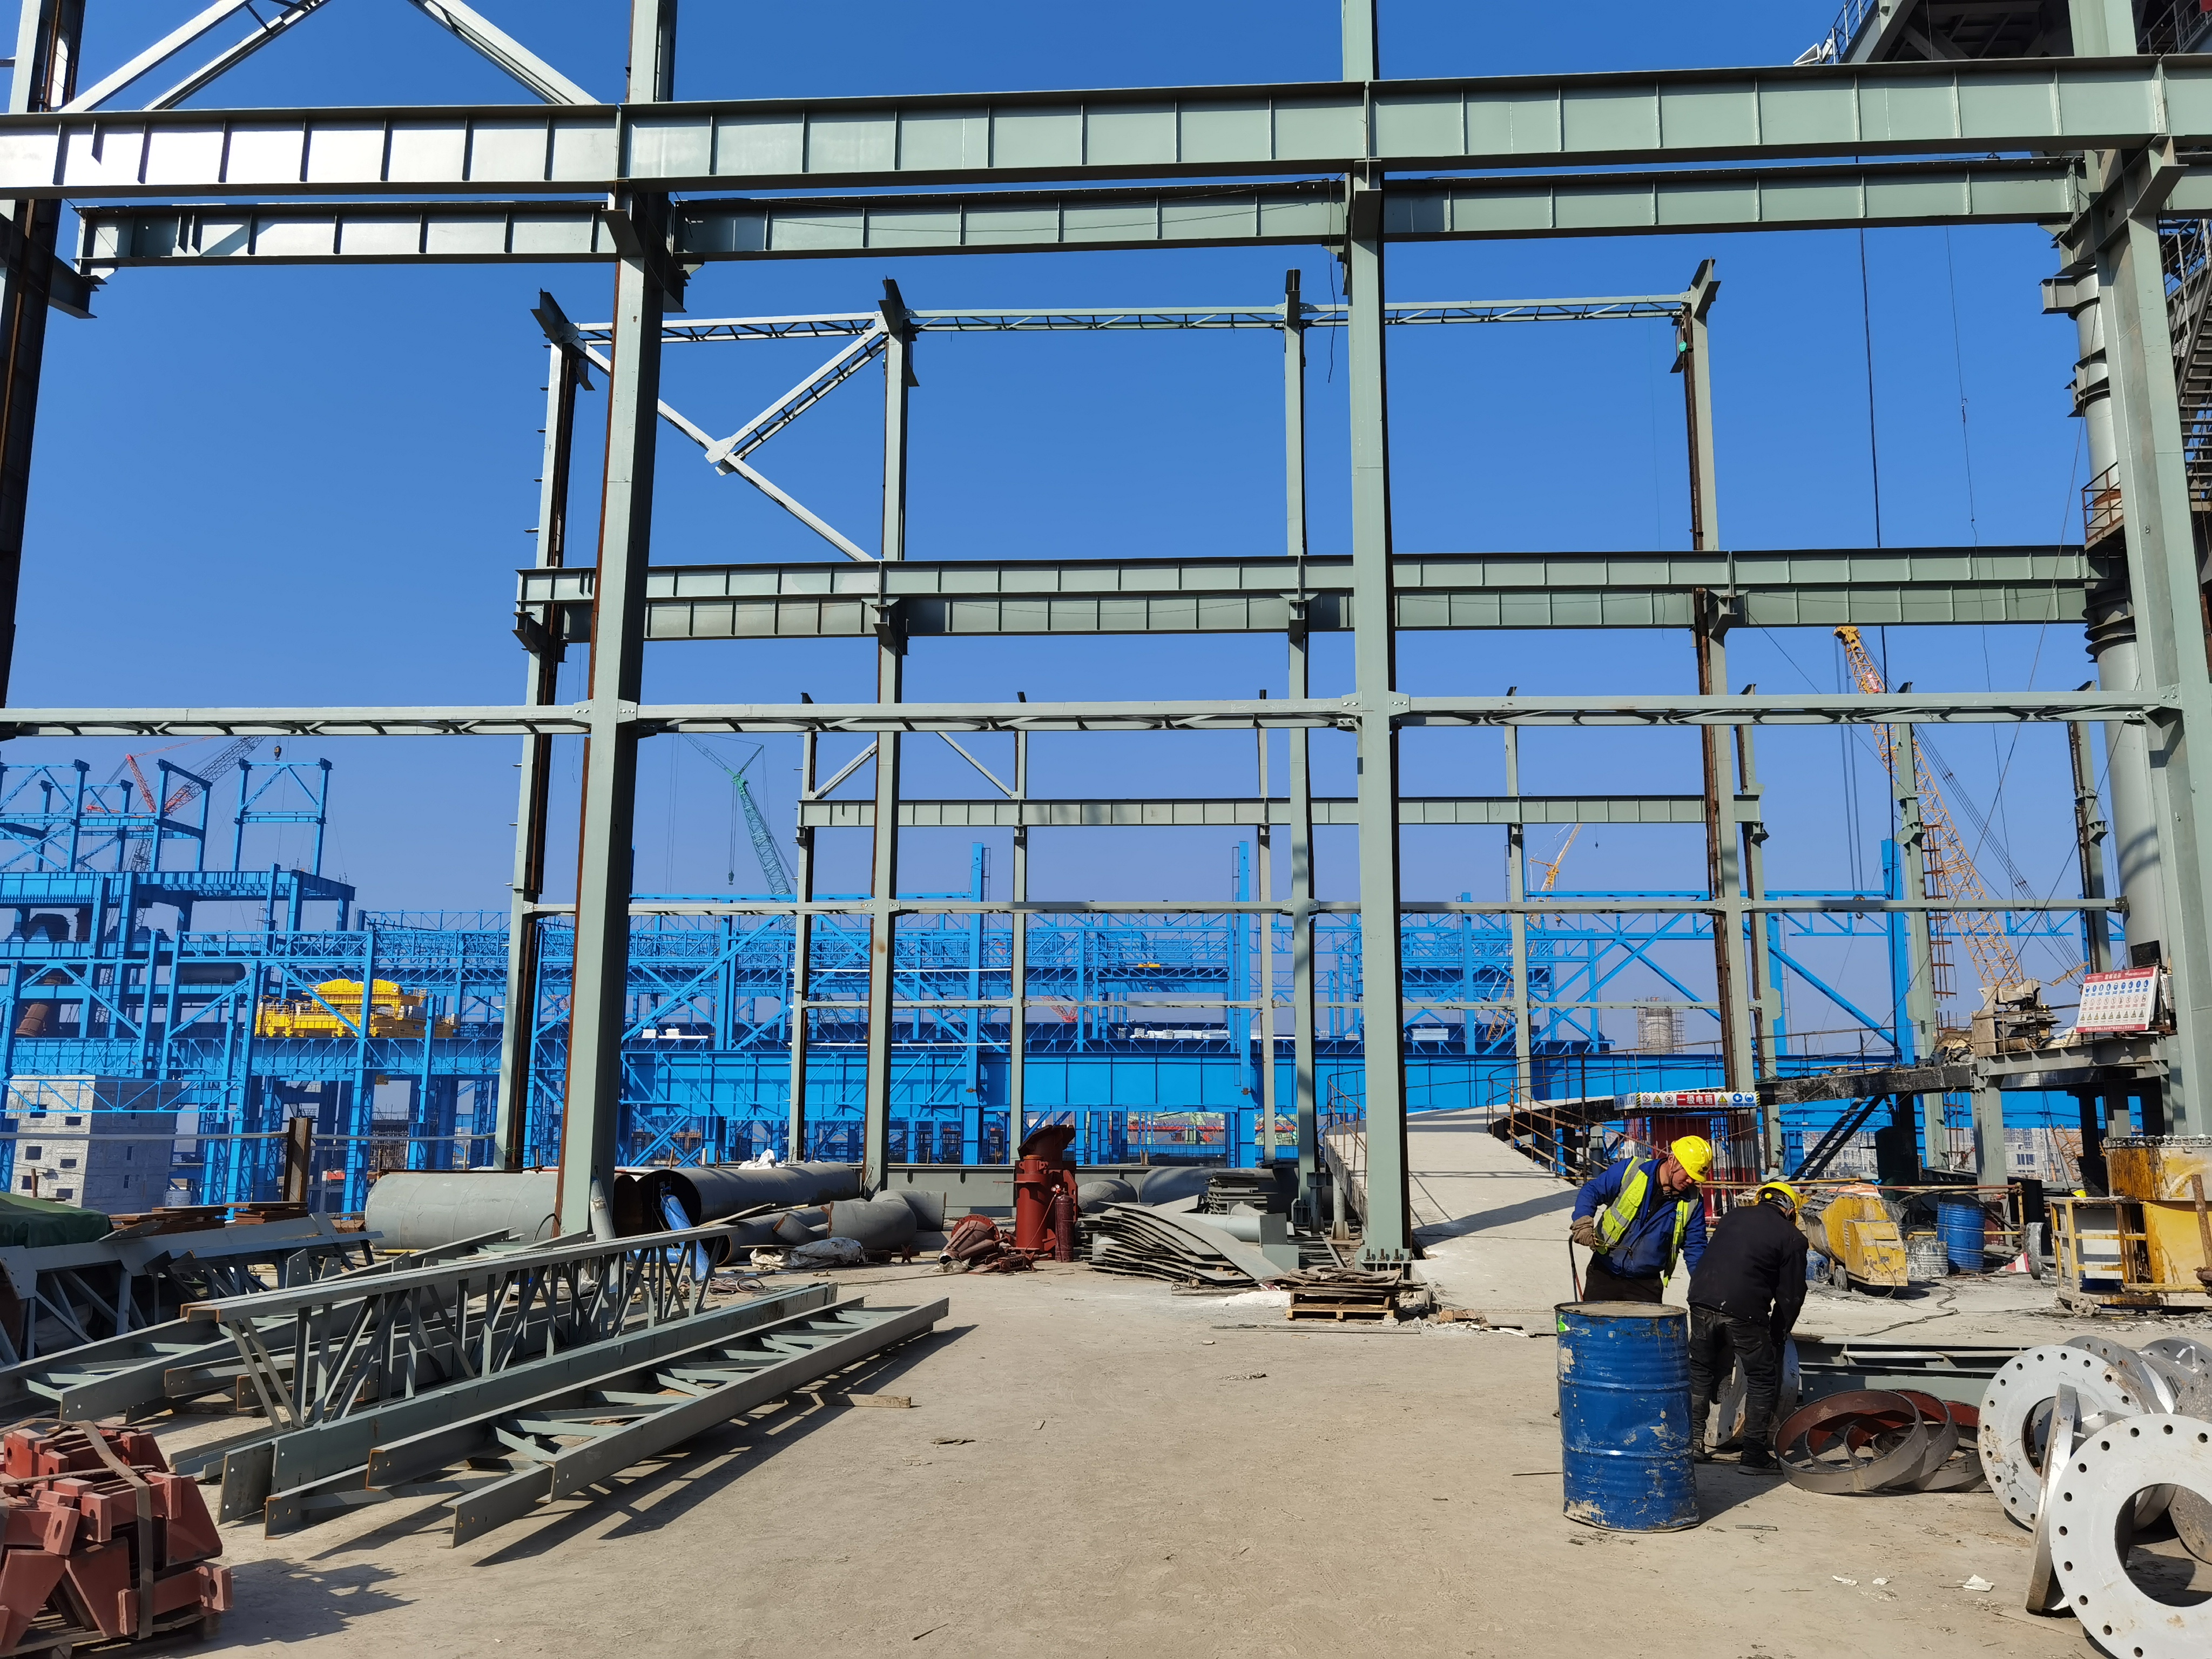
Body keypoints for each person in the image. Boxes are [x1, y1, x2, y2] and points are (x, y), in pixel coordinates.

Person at [1685, 1179, 1809, 1473]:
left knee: (1700, 1369)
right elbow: (1791, 1296)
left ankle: (1693, 1443)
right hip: (1744, 1310)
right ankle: (1753, 1454)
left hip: (1701, 1298)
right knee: (1762, 1376)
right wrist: (1778, 1334)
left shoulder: (1732, 1217)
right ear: (1790, 1211)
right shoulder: (1792, 1237)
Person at [1568, 1136, 1711, 1304]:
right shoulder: (1632, 1171)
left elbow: (1695, 1248)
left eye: (1696, 1178)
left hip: (1646, 1284)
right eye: (1688, 1174)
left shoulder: (1693, 1202)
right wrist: (1583, 1222)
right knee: (1596, 1320)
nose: (1691, 1181)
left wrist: (1704, 1288)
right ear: (1673, 1160)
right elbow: (1592, 1191)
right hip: (1604, 1273)